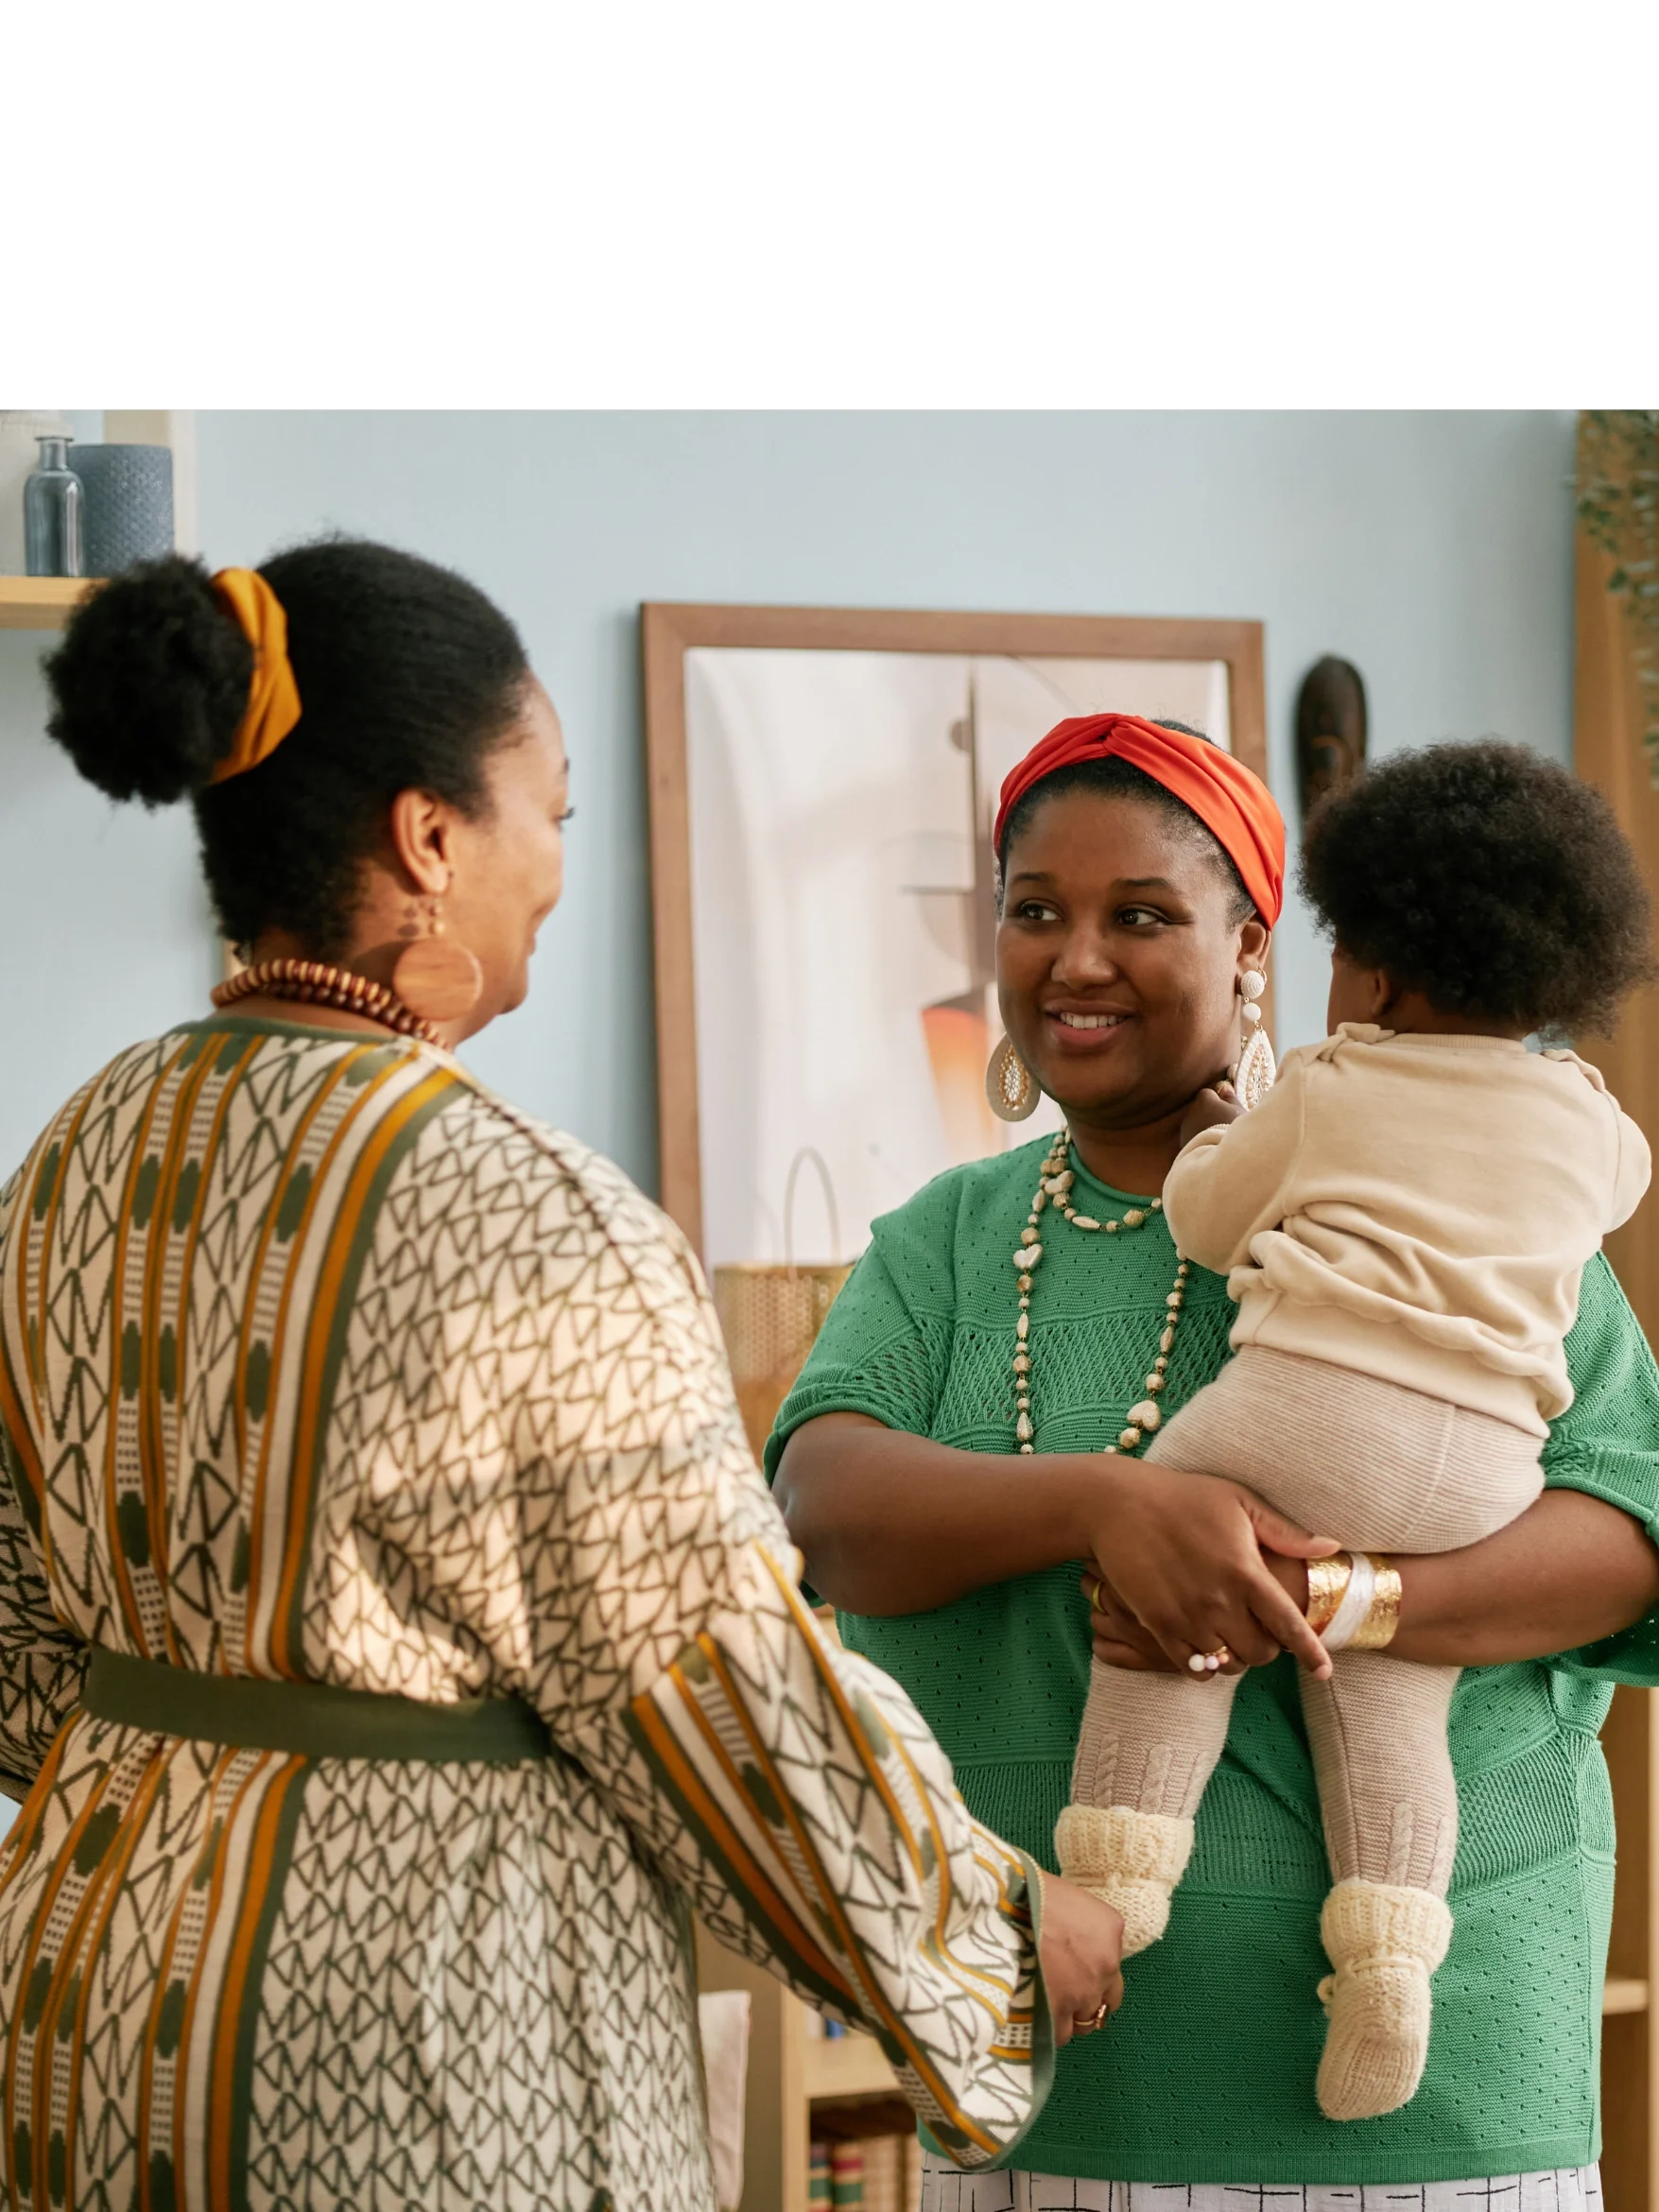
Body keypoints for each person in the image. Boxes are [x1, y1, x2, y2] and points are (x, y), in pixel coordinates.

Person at [0, 546, 1124, 2212]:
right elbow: (712, 1688)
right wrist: (992, 1928)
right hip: (410, 2039)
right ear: (429, 838)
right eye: (552, 812)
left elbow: (24, 1643)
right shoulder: (530, 1212)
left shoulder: (79, 1148)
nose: (554, 866)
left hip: (87, 1981)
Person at [770, 712, 1659, 2212]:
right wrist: (1111, 1505)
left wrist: (1352, 1600)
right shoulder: (952, 1239)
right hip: (1052, 2065)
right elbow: (827, 1509)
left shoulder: (1450, 1207)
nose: (1075, 959)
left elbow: (1627, 1541)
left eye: (1140, 916)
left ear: (1255, 951)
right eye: (1033, 910)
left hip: (1435, 2108)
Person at [1056, 736, 1652, 2125]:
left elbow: (1207, 1220)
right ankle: (1387, 1961)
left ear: (1374, 973)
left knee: (1178, 1554)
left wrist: (1231, 1128)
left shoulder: (1326, 1086)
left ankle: (1120, 1874)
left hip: (1313, 1413)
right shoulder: (1587, 1120)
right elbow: (1612, 1190)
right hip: (1483, 1480)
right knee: (1392, 1702)